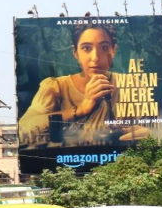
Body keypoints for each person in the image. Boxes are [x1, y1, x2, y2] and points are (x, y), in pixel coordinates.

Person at [18, 22, 148, 149]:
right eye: (86, 48)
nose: (95, 58)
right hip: (65, 165)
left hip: (121, 165)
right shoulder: (56, 87)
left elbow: (159, 127)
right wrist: (81, 109)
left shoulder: (132, 84)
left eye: (104, 48)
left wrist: (149, 136)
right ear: (76, 53)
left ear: (114, 50)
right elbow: (22, 129)